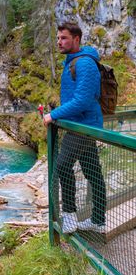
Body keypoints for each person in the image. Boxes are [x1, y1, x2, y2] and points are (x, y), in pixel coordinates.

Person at [43, 22, 106, 234]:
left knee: (61, 166)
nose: (59, 42)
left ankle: (69, 215)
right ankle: (98, 221)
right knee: (92, 172)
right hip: (80, 125)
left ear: (76, 39)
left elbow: (82, 101)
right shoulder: (73, 61)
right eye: (58, 38)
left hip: (84, 127)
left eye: (64, 38)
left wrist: (53, 115)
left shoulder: (85, 64)